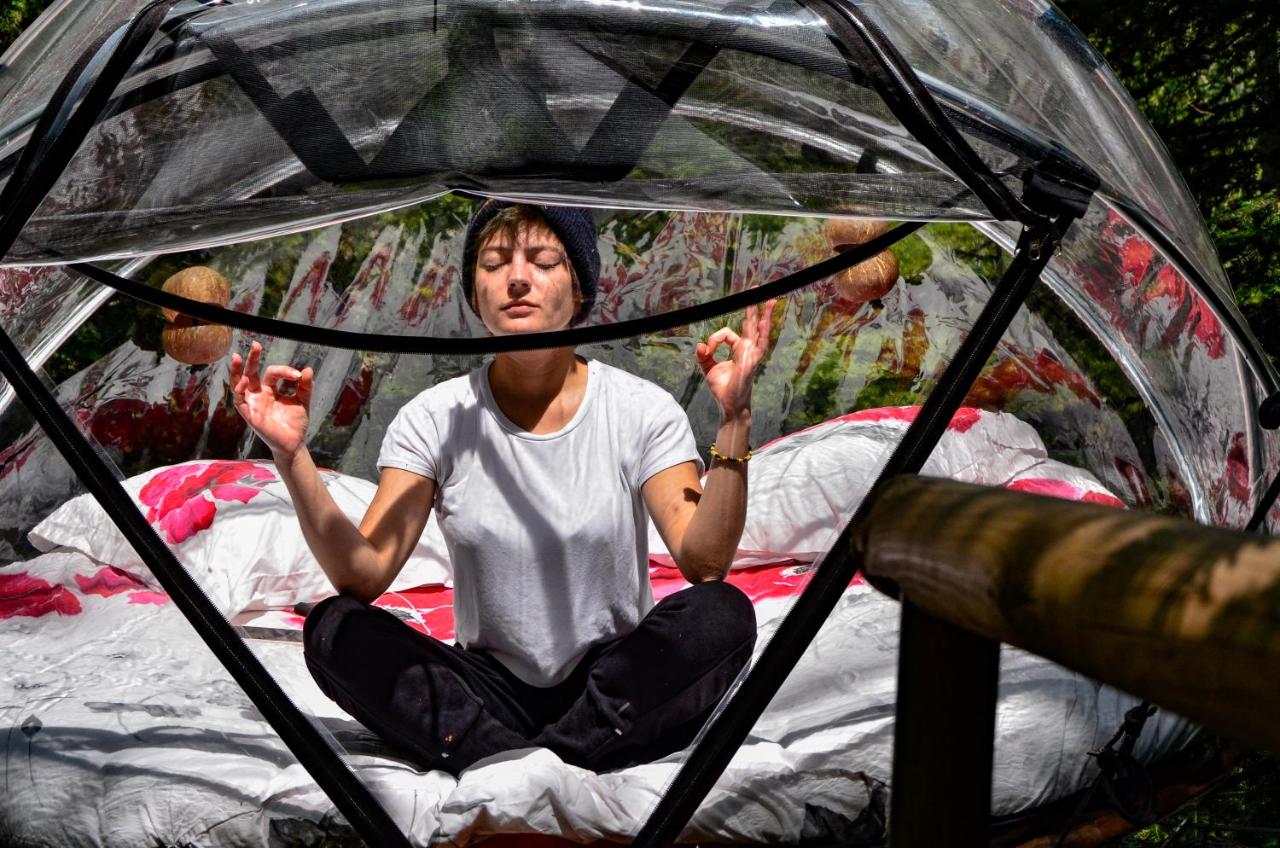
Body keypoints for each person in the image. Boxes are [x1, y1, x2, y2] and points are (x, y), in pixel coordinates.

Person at [229, 200, 777, 775]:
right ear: (476, 295)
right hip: (487, 689)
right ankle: (533, 756)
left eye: (543, 261)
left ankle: (525, 762)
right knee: (335, 627)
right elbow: (362, 575)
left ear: (581, 291)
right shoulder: (435, 417)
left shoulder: (639, 409)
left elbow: (704, 560)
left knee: (722, 613)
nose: (517, 278)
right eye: (494, 263)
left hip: (614, 684)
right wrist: (290, 456)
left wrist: (735, 418)